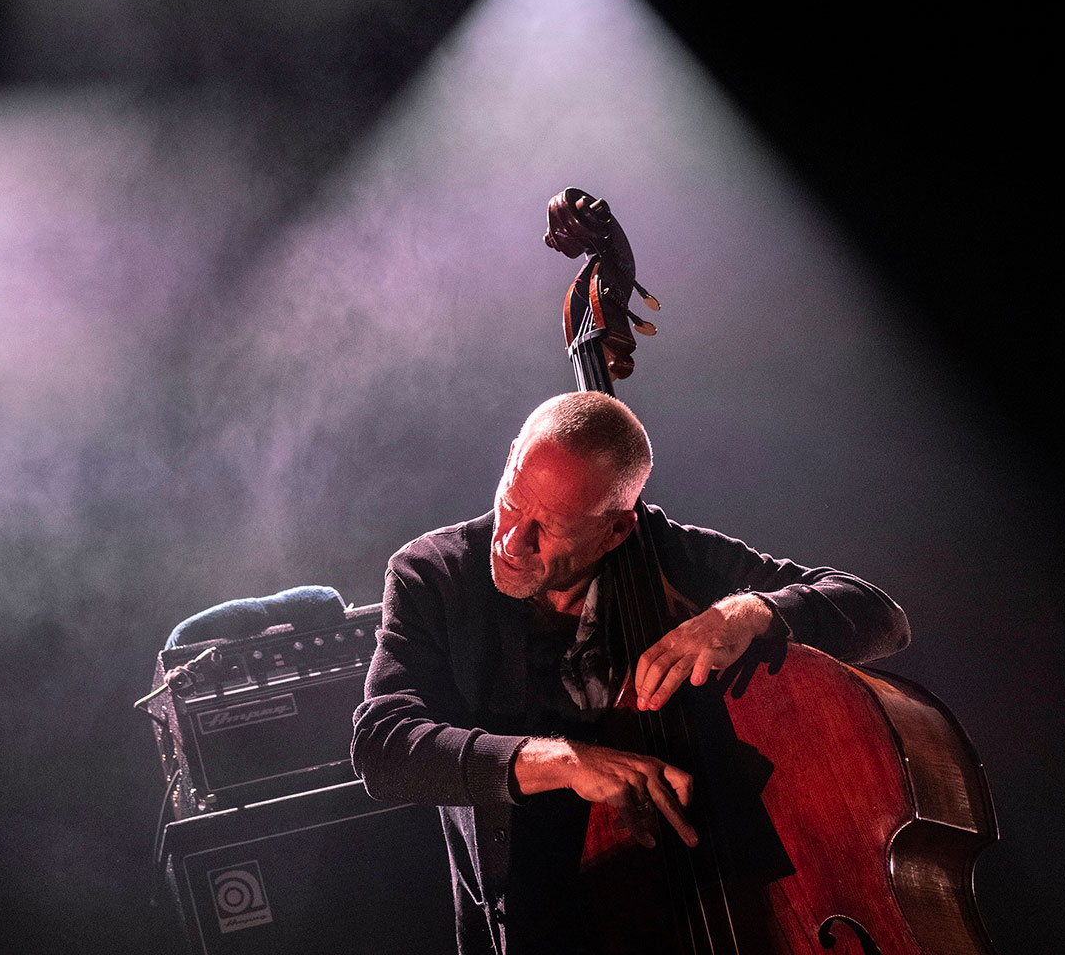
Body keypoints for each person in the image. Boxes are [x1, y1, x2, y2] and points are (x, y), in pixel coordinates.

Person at [350, 391, 910, 954]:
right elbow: (382, 747)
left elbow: (880, 616)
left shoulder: (668, 555)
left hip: (721, 900)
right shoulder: (432, 577)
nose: (513, 540)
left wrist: (748, 613)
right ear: (511, 457)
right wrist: (565, 761)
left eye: (550, 528)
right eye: (513, 502)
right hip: (537, 922)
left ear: (617, 531)